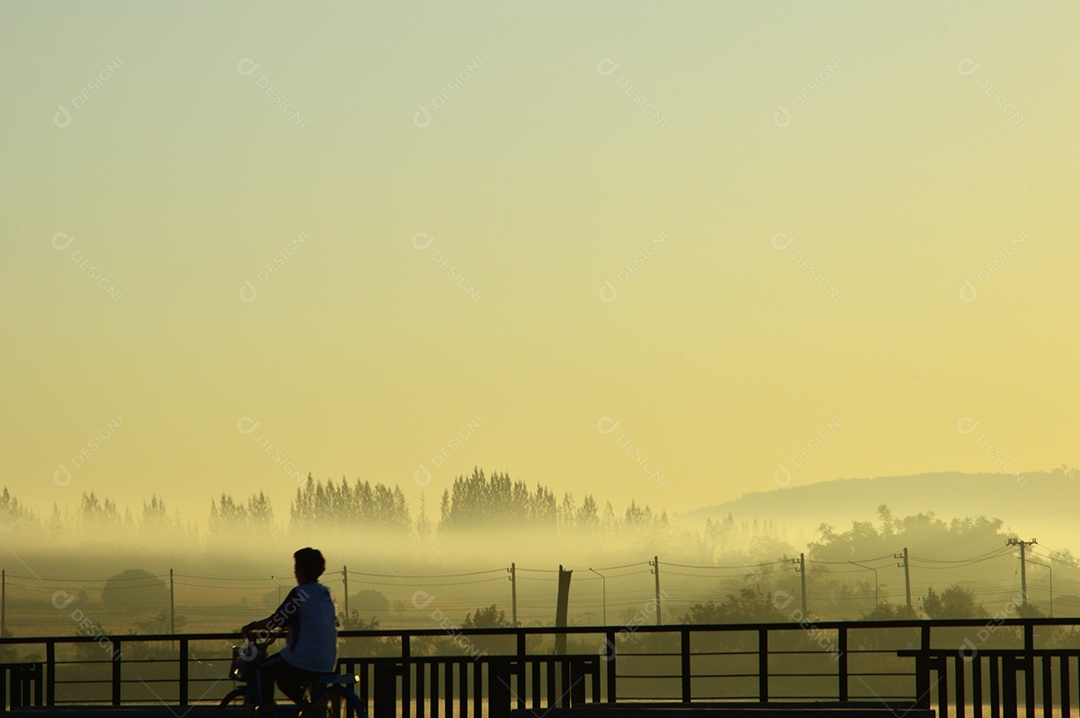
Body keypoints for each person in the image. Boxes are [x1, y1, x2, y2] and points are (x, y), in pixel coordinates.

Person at [241, 547, 338, 715]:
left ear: (300, 570)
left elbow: (274, 622)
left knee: (265, 668)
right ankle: (309, 707)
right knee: (286, 681)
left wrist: (251, 626)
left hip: (303, 657)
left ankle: (269, 710)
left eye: (296, 568)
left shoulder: (299, 594)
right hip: (328, 660)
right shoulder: (326, 593)